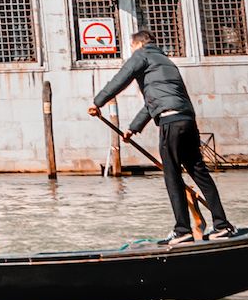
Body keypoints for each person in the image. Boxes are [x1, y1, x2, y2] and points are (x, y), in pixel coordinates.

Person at [91, 31, 237, 243]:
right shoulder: (166, 62)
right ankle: (222, 225)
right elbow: (157, 101)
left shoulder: (141, 56)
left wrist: (97, 102)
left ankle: (183, 231)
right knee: (200, 173)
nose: (131, 51)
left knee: (172, 176)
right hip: (187, 121)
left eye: (131, 47)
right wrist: (133, 128)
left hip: (170, 123)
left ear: (138, 43)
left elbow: (121, 78)